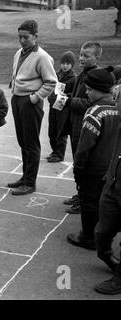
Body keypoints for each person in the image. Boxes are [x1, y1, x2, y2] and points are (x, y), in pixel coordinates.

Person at [66, 67, 119, 253]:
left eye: (89, 89)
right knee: (102, 202)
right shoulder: (116, 108)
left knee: (88, 201)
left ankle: (88, 236)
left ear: (99, 90)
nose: (86, 92)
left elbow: (84, 146)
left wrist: (78, 168)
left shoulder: (94, 113)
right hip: (111, 168)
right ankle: (99, 232)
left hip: (93, 168)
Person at [7, 20, 57, 195]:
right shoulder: (18, 53)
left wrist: (35, 97)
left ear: (35, 37)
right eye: (19, 37)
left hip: (30, 103)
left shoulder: (42, 57)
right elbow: (18, 73)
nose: (22, 40)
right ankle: (25, 176)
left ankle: (30, 183)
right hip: (17, 100)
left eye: (26, 37)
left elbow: (51, 82)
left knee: (31, 143)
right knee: (22, 141)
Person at [63, 41, 102, 215]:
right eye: (80, 54)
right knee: (78, 162)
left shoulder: (95, 76)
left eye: (86, 56)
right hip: (76, 124)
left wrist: (70, 101)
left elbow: (90, 102)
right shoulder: (82, 74)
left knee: (84, 164)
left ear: (96, 57)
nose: (81, 58)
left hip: (85, 125)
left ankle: (85, 200)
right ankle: (80, 194)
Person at [94, 90, 121, 295]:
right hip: (112, 185)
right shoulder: (119, 124)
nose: (115, 102)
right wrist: (108, 177)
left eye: (118, 100)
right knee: (101, 233)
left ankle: (120, 279)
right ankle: (108, 257)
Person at [46, 51, 77, 163]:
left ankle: (59, 154)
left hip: (63, 108)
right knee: (52, 131)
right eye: (63, 63)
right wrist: (50, 97)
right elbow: (51, 88)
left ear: (72, 65)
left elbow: (74, 94)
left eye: (68, 63)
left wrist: (66, 96)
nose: (65, 66)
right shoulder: (56, 75)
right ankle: (54, 151)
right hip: (53, 106)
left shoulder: (74, 78)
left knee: (61, 131)